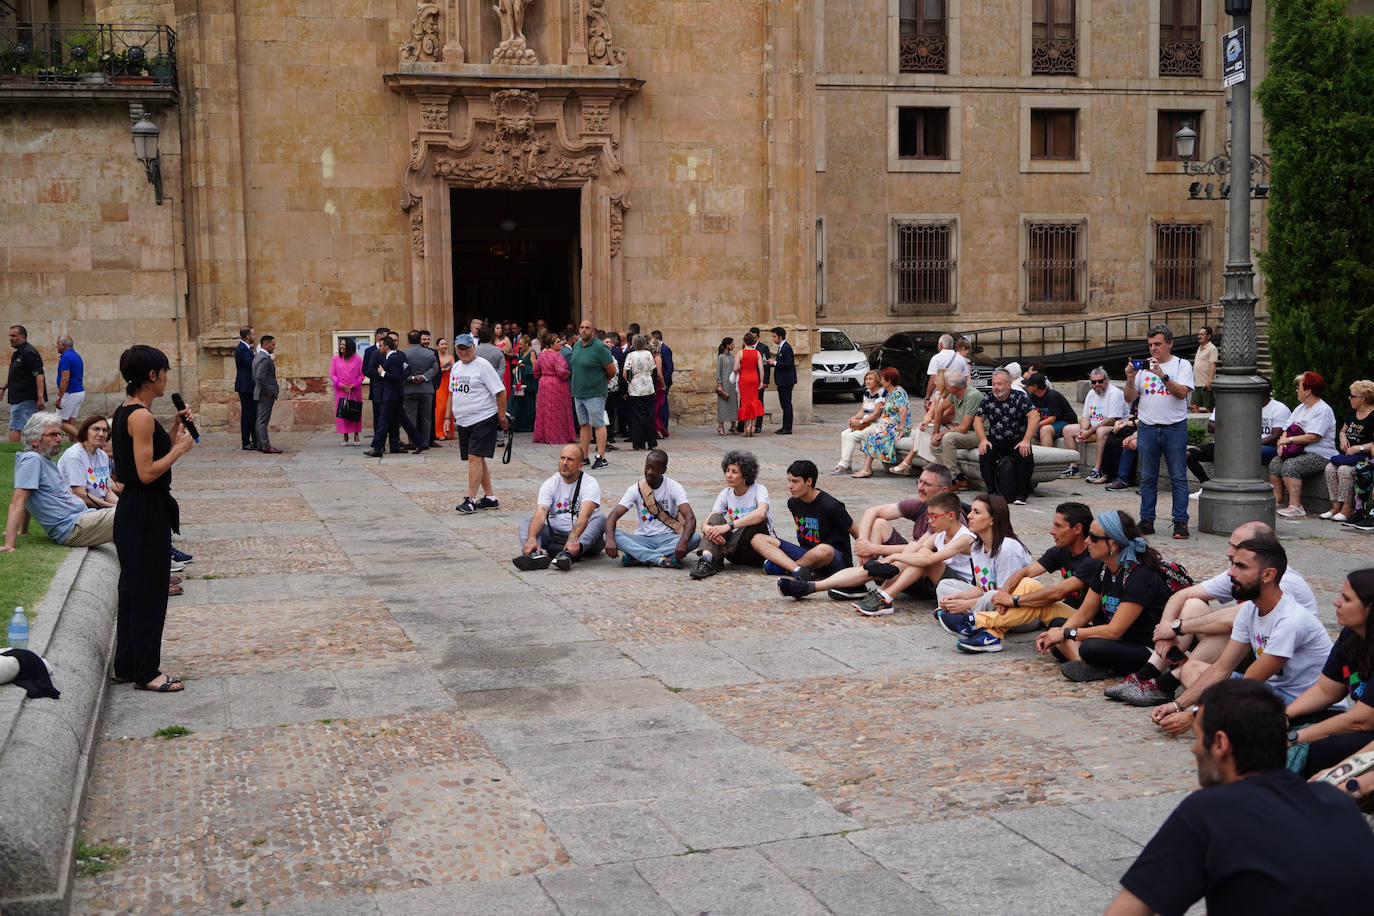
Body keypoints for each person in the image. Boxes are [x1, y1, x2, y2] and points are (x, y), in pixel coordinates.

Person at [1107, 679, 1374, 916]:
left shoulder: (1208, 811)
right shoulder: (1337, 802)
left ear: (1221, 744)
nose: (1194, 748)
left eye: (1199, 738)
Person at [1113, 521, 1318, 707]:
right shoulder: (1242, 573)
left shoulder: (1285, 586)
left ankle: (1166, 683)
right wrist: (1166, 628)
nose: (1229, 554)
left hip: (1283, 681)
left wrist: (1177, 626)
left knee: (1224, 628)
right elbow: (1182, 595)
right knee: (1193, 606)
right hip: (1255, 655)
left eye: (1237, 549)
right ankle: (1149, 675)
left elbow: (1234, 622)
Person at [1149, 535, 1333, 735]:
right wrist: (1178, 705)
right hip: (1269, 692)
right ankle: (1231, 721)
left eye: (1241, 567)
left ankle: (1239, 724)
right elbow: (1222, 667)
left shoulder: (1290, 620)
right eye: (1232, 565)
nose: (1230, 573)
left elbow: (1250, 682)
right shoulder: (1251, 609)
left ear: (1268, 575)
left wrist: (1192, 715)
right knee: (1192, 668)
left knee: (1239, 701)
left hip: (1305, 705)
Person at [110, 345, 195, 693]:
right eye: (164, 371)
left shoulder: (126, 411)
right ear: (152, 375)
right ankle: (147, 672)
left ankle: (128, 664)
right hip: (145, 509)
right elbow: (145, 473)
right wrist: (179, 449)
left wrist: (174, 430)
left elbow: (142, 462)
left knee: (133, 589)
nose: (166, 378)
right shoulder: (141, 416)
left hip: (136, 507)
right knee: (148, 591)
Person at [778, 463, 963, 603]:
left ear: (944, 491)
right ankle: (864, 575)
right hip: (909, 564)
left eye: (926, 484)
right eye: (919, 481)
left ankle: (813, 587)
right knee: (879, 523)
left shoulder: (946, 516)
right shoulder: (920, 504)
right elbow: (871, 512)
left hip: (928, 575)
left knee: (916, 551)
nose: (920, 487)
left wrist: (874, 548)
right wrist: (863, 545)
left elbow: (920, 549)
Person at [937, 501, 1101, 654]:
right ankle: (988, 632)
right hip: (1066, 614)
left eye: (1058, 526)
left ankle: (975, 622)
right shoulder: (1060, 550)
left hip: (1087, 621)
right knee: (1026, 583)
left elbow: (1058, 592)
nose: (1052, 531)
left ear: (1077, 529)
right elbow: (1025, 572)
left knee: (1037, 596)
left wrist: (1014, 600)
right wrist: (1005, 593)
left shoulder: (1092, 559)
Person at [1034, 510, 1171, 682]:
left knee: (1089, 647)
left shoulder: (1140, 575)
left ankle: (1083, 660)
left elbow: (1114, 631)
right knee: (1057, 625)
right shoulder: (1104, 567)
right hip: (1116, 641)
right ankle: (1087, 665)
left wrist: (1066, 635)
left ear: (1112, 544)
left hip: (1146, 649)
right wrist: (1060, 632)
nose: (1086, 541)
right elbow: (1084, 613)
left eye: (1093, 537)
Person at [1284, 569, 1374, 777]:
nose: (1336, 602)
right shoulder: (1352, 634)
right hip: (1361, 723)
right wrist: (1284, 716)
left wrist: (1295, 737)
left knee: (1318, 749)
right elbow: (1325, 690)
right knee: (1275, 724)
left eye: (1346, 598)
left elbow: (1361, 720)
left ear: (1370, 608)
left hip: (1366, 727)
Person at [840, 490, 974, 617]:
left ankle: (886, 597)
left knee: (925, 557)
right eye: (928, 516)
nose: (930, 521)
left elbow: (929, 560)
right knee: (916, 547)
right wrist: (891, 563)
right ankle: (882, 593)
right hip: (941, 584)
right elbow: (917, 548)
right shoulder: (941, 534)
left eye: (934, 516)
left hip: (963, 589)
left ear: (950, 515)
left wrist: (893, 557)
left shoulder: (965, 538)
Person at [2, 412, 117, 552]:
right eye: (52, 435)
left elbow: (28, 499)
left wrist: (24, 531)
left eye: (59, 434)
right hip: (73, 527)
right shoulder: (32, 460)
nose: (59, 439)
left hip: (84, 517)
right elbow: (18, 502)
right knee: (133, 510)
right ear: (35, 440)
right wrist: (9, 544)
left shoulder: (45, 461)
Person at [1123, 324, 1195, 539]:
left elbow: (1182, 393)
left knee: (1178, 477)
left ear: (1170, 344)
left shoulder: (1182, 365)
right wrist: (1129, 377)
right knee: (1147, 477)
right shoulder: (1142, 368)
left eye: (1158, 344)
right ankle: (1146, 520)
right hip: (1147, 427)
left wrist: (1161, 374)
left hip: (1174, 427)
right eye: (1150, 345)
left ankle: (1180, 522)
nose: (1153, 349)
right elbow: (1129, 399)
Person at [754, 458, 858, 584]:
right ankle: (797, 570)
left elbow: (854, 530)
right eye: (789, 481)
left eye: (795, 481)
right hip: (806, 554)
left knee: (823, 549)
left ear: (809, 481)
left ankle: (786, 567)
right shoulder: (793, 503)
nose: (790, 486)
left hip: (833, 559)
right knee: (758, 538)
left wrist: (866, 559)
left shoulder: (831, 506)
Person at [1186, 376, 1291, 499]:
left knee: (1238, 453)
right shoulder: (1239, 405)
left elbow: (1276, 436)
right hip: (1232, 445)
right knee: (1189, 454)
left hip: (1266, 447)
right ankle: (1206, 486)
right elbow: (1211, 427)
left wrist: (1248, 444)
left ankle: (1233, 489)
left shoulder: (1279, 409)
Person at [514, 444, 605, 571]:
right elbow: (540, 515)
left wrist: (573, 538)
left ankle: (568, 555)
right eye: (562, 458)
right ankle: (533, 554)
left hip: (584, 541)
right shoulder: (550, 483)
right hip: (555, 539)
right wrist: (531, 538)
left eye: (570, 459)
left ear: (580, 466)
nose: (565, 463)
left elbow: (585, 516)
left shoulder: (590, 484)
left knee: (599, 518)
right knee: (526, 522)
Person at [603, 448, 699, 568]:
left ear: (663, 470)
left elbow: (690, 518)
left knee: (695, 538)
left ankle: (638, 557)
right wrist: (610, 540)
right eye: (647, 467)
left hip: (668, 539)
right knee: (607, 535)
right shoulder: (635, 489)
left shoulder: (674, 487)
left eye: (654, 469)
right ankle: (660, 559)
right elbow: (613, 516)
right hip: (642, 539)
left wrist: (683, 541)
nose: (649, 472)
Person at [448, 333, 508, 514]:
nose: (464, 351)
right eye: (460, 348)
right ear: (456, 350)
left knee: (474, 458)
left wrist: (502, 416)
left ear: (473, 347)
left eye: (467, 348)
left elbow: (501, 391)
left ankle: (471, 499)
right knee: (477, 458)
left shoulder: (483, 365)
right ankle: (490, 497)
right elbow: (452, 394)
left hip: (483, 418)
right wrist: (446, 418)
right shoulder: (456, 367)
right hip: (464, 421)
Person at [691, 449, 773, 579]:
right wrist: (706, 528)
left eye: (734, 472)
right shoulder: (726, 493)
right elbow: (711, 518)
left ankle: (718, 553)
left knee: (756, 519)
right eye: (727, 470)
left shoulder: (759, 490)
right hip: (735, 552)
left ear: (745, 475)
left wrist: (729, 526)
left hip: (757, 550)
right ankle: (706, 560)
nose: (729, 475)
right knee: (716, 518)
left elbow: (762, 514)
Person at [1269, 371, 1338, 519]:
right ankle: (1278, 501)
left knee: (1290, 466)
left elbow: (1314, 436)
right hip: (1297, 451)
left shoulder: (1322, 410)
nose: (1297, 390)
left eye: (1299, 387)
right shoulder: (1300, 408)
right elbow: (1287, 429)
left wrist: (1289, 441)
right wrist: (1282, 443)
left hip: (1320, 454)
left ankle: (1296, 506)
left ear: (1308, 391)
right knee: (1275, 463)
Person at [974, 368, 1038, 505]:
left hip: (1017, 439)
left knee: (1025, 453)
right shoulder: (988, 398)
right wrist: (983, 440)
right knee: (985, 451)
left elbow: (1034, 416)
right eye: (994, 384)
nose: (996, 388)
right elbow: (978, 420)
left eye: (999, 384)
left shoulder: (1019, 397)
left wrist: (1026, 440)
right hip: (996, 439)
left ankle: (1021, 494)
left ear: (1008, 385)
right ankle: (992, 491)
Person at [1321, 379, 1374, 521]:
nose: (1349, 398)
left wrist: (1359, 448)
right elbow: (1343, 431)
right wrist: (1343, 438)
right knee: (1330, 468)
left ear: (1363, 399)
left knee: (1345, 470)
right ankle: (1335, 506)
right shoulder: (1352, 413)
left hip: (1365, 457)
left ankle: (1347, 507)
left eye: (1352, 396)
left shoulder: (1373, 415)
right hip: (1349, 456)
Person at [1062, 367, 1128, 480]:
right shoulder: (1091, 393)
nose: (1097, 384)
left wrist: (1089, 432)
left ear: (1106, 380)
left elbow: (1112, 420)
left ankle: (1097, 469)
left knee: (1101, 431)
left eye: (1100, 381)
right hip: (1094, 427)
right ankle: (1074, 468)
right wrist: (1083, 430)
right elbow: (1085, 417)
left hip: (1117, 427)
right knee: (1068, 429)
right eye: (1094, 382)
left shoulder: (1115, 393)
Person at [363, 335, 423, 457]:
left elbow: (396, 377)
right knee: (404, 421)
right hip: (394, 395)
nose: (379, 348)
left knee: (383, 422)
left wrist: (383, 373)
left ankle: (378, 448)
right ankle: (420, 442)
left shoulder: (393, 358)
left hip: (392, 396)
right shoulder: (392, 357)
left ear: (386, 347)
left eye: (381, 346)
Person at [569, 319, 616, 470]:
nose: (583, 330)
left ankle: (601, 457)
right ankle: (584, 455)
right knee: (583, 424)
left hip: (595, 392)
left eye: (587, 328)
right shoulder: (576, 345)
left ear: (593, 331)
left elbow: (611, 370)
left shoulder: (600, 347)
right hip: (579, 392)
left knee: (598, 423)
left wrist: (603, 381)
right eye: (581, 327)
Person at [851, 368, 909, 478]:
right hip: (887, 426)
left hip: (896, 427)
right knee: (867, 436)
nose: (881, 381)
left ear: (889, 380)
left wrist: (901, 429)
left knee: (874, 437)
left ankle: (867, 469)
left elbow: (903, 410)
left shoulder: (898, 393)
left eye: (882, 379)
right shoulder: (889, 393)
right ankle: (868, 468)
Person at [894, 371, 954, 475]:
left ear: (943, 382)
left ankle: (921, 466)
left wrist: (928, 422)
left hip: (949, 427)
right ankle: (930, 469)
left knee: (921, 431)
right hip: (936, 425)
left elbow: (944, 419)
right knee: (921, 429)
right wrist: (925, 421)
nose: (935, 383)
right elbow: (930, 413)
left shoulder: (952, 397)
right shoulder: (937, 394)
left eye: (937, 380)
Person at [57, 415, 119, 509]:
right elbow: (81, 495)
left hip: (97, 507)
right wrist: (113, 507)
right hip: (76, 510)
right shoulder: (74, 455)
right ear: (85, 431)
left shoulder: (102, 455)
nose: (101, 434)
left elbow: (107, 491)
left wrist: (120, 506)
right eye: (96, 429)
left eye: (104, 430)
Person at [832, 370, 885, 474]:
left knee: (852, 436)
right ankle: (848, 465)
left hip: (876, 424)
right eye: (866, 379)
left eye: (870, 379)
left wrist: (860, 422)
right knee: (844, 433)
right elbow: (862, 410)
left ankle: (843, 464)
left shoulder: (882, 393)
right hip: (865, 422)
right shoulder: (867, 392)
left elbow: (876, 414)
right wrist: (853, 419)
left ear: (877, 381)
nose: (868, 381)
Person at [4, 325, 45, 444]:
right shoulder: (18, 353)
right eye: (10, 336)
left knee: (15, 426)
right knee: (33, 427)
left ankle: (13, 451)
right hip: (19, 397)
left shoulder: (29, 352)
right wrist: (3, 387)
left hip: (25, 397)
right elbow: (13, 374)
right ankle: (35, 448)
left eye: (13, 336)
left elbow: (39, 374)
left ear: (23, 337)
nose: (11, 338)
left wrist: (40, 397)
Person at [532, 332, 575, 444]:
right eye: (557, 342)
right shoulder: (557, 356)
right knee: (557, 411)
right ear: (551, 344)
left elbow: (535, 370)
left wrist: (543, 376)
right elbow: (561, 372)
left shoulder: (542, 355)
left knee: (545, 411)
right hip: (557, 384)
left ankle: (543, 436)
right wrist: (569, 373)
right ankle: (556, 436)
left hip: (544, 383)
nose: (560, 343)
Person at [400, 330, 439, 450]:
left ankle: (413, 441)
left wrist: (411, 377)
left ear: (408, 340)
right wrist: (424, 377)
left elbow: (400, 370)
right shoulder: (429, 353)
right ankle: (425, 442)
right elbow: (435, 368)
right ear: (419, 339)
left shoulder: (403, 353)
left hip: (410, 389)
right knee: (426, 418)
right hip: (426, 389)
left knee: (411, 417)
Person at [623, 334, 658, 450]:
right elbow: (652, 370)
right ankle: (651, 443)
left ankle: (638, 443)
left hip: (635, 388)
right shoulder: (648, 354)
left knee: (637, 417)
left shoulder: (630, 355)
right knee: (649, 415)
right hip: (648, 387)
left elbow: (625, 373)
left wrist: (630, 381)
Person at [1023, 372, 1075, 448]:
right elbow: (1032, 414)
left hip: (1065, 422)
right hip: (1049, 422)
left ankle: (1047, 457)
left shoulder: (1052, 396)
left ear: (1035, 386)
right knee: (1028, 430)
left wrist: (1035, 425)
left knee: (1045, 430)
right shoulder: (1033, 397)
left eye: (1028, 385)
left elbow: (1052, 419)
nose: (1026, 387)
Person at [252, 335, 282, 454]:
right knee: (263, 420)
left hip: (260, 392)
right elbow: (259, 376)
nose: (274, 347)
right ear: (266, 344)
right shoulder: (265, 358)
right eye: (273, 344)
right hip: (265, 394)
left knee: (259, 419)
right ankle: (265, 445)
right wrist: (269, 390)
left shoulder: (258, 356)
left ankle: (260, 444)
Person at [331, 336, 364, 445]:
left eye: (344, 344)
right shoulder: (335, 359)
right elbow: (332, 374)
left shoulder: (358, 359)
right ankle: (345, 435)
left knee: (354, 411)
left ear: (349, 346)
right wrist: (341, 385)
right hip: (341, 390)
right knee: (343, 412)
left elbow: (361, 375)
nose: (341, 346)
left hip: (354, 390)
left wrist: (354, 384)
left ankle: (356, 434)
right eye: (340, 344)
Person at [53, 335, 84, 441]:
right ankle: (73, 444)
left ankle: (85, 439)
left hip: (70, 393)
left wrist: (59, 397)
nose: (56, 346)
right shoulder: (76, 355)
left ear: (63, 345)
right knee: (71, 421)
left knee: (59, 422)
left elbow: (65, 379)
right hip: (79, 392)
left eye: (57, 344)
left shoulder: (65, 358)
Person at [735, 332, 765, 437]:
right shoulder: (757, 353)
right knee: (754, 402)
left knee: (745, 403)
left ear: (744, 341)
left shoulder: (740, 353)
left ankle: (746, 427)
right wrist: (761, 382)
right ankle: (753, 427)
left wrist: (738, 369)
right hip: (754, 378)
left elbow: (735, 368)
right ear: (753, 341)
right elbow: (761, 369)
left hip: (744, 378)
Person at [361, 327, 389, 443]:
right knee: (377, 414)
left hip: (389, 386)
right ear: (378, 337)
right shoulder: (369, 351)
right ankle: (378, 440)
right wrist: (379, 375)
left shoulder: (391, 350)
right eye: (384, 337)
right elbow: (365, 369)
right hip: (376, 387)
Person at [923, 333, 968, 405]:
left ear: (940, 344)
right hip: (956, 398)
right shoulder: (961, 359)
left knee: (937, 415)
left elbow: (933, 379)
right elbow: (965, 379)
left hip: (939, 398)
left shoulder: (936, 358)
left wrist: (927, 398)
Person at [233, 325, 259, 451]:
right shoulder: (243, 349)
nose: (255, 336)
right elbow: (251, 364)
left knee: (252, 414)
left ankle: (255, 440)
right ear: (248, 336)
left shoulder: (247, 348)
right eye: (253, 334)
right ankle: (246, 442)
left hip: (248, 386)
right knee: (248, 415)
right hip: (245, 386)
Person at [768, 327, 796, 434]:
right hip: (782, 380)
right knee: (784, 404)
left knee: (786, 404)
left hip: (786, 381)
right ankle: (785, 426)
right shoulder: (782, 347)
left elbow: (789, 363)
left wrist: (774, 363)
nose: (773, 339)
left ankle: (787, 428)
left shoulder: (786, 347)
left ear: (780, 337)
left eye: (774, 336)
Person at [509, 335, 536, 433]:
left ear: (526, 344)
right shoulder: (521, 352)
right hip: (520, 379)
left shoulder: (532, 353)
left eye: (521, 344)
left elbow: (536, 368)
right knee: (519, 402)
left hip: (528, 381)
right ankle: (518, 425)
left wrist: (525, 366)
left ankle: (528, 426)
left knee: (528, 403)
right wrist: (517, 368)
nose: (519, 346)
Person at [714, 337, 739, 436]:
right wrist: (719, 384)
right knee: (723, 406)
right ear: (728, 345)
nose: (734, 346)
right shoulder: (721, 357)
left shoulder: (732, 355)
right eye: (732, 344)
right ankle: (720, 426)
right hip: (724, 385)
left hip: (732, 384)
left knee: (733, 404)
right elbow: (718, 372)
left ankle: (733, 426)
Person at [1190, 325, 1218, 413]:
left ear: (1208, 336)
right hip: (1197, 383)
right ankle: (1200, 426)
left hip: (1206, 384)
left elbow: (1213, 365)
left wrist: (1210, 380)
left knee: (1208, 407)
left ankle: (1211, 425)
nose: (1199, 336)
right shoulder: (1200, 347)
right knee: (1193, 406)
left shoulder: (1212, 348)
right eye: (1199, 334)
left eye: (1202, 334)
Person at [652, 329, 674, 437]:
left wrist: (662, 382)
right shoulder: (657, 350)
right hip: (659, 383)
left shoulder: (665, 349)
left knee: (663, 404)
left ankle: (664, 427)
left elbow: (669, 368)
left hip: (663, 382)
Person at [750, 326, 771, 434]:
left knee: (759, 402)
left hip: (759, 379)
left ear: (758, 337)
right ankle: (743, 424)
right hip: (748, 379)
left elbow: (766, 366)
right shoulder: (745, 346)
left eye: (754, 337)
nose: (752, 339)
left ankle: (758, 425)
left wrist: (766, 381)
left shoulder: (764, 348)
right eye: (750, 337)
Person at [433, 336, 455, 439]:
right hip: (440, 383)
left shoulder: (450, 357)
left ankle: (448, 431)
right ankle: (438, 432)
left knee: (449, 407)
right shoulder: (435, 357)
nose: (444, 346)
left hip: (449, 383)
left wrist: (451, 368)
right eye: (442, 344)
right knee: (440, 408)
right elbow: (433, 370)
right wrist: (442, 370)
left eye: (446, 344)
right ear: (437, 346)